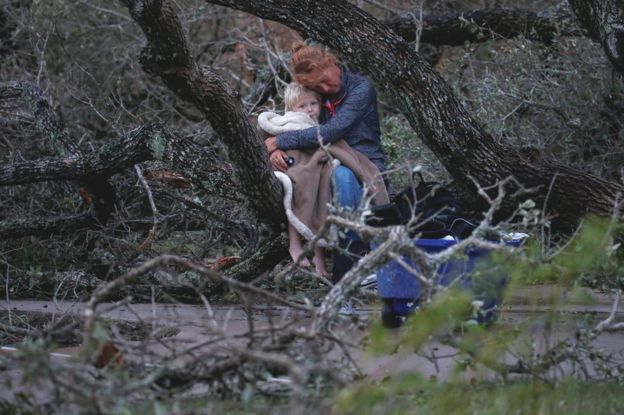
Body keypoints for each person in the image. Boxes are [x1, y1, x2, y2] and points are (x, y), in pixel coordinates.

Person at [265, 43, 386, 312]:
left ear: (331, 62)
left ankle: (349, 272)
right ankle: (341, 274)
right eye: (316, 88)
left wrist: (280, 140)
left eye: (324, 80)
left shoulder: (360, 89)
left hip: (364, 162)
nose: (323, 89)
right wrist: (279, 151)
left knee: (342, 177)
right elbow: (299, 123)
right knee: (317, 175)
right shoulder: (316, 99)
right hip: (325, 163)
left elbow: (331, 131)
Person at [260, 83, 388, 277]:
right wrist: (276, 150)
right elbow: (271, 138)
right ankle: (295, 245)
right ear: (291, 109)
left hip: (317, 171)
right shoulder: (286, 123)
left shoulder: (322, 127)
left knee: (322, 192)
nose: (309, 109)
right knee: (299, 187)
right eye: (302, 106)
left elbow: (329, 144)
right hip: (295, 170)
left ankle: (321, 256)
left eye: (313, 103)